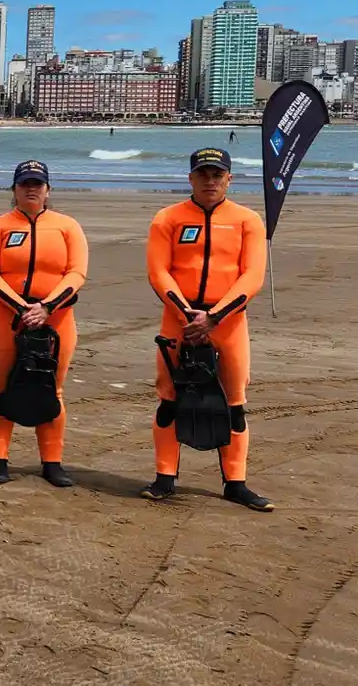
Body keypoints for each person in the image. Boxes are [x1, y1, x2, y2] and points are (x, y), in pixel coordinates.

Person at [142, 148, 273, 511]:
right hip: (178, 320)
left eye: (217, 174)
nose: (210, 181)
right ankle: (165, 478)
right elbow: (158, 272)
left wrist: (214, 317)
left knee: (233, 404)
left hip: (228, 324)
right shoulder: (167, 218)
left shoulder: (247, 220)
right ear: (191, 179)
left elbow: (252, 275)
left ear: (229, 178)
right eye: (203, 174)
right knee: (169, 399)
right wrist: (187, 314)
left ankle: (236, 483)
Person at [0, 160, 89, 486]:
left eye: (37, 184)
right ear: (14, 189)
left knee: (52, 389)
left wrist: (47, 307)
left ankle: (52, 462)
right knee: (1, 388)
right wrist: (22, 307)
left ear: (48, 190)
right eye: (25, 183)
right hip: (4, 320)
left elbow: (77, 272)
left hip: (57, 322)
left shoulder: (68, 227)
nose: (31, 189)